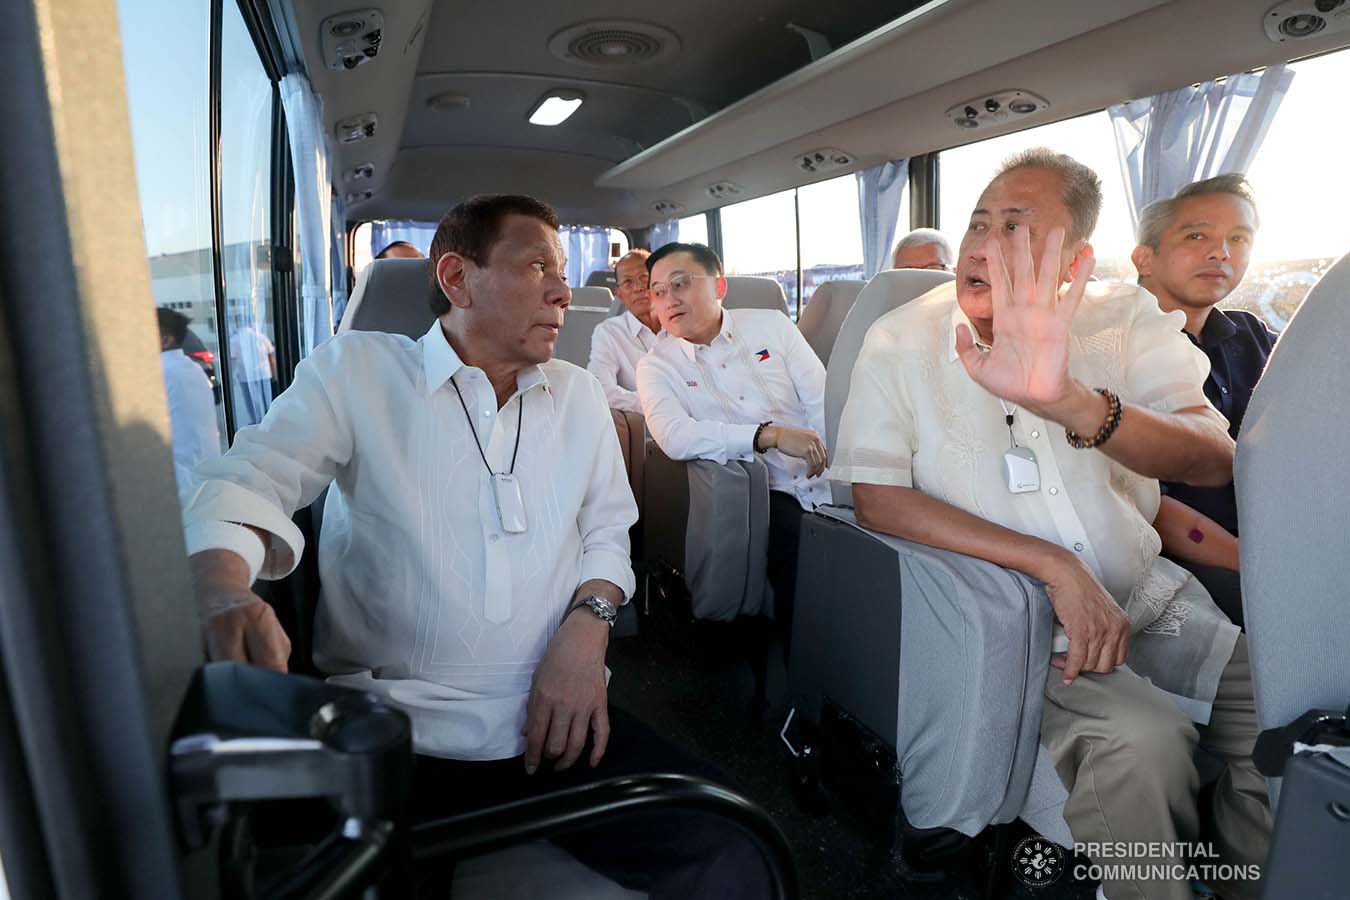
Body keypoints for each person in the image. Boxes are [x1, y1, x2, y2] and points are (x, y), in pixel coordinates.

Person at [183, 195, 773, 899]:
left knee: (739, 847)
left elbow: (607, 534)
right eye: (536, 267)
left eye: (562, 270)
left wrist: (588, 630)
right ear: (458, 278)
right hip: (393, 733)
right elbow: (249, 478)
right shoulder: (359, 372)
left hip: (560, 718)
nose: (563, 289)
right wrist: (223, 586)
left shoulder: (580, 394)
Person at [831, 149, 1269, 900]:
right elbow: (876, 498)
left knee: (1285, 710)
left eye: (1014, 227)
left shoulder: (1125, 317)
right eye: (978, 222)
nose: (981, 243)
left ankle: (1240, 879)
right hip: (1018, 625)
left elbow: (1212, 456)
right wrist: (1054, 567)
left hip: (1154, 602)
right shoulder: (900, 338)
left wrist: (1073, 402)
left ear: (1074, 257)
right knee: (1145, 743)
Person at [636, 242, 828, 652]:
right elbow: (674, 435)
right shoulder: (656, 366)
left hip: (828, 480)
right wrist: (767, 435)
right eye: (657, 291)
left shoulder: (772, 327)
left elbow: (822, 401)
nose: (668, 299)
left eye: (680, 284)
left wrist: (836, 468)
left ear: (718, 285)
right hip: (762, 495)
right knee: (803, 566)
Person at [1132, 173, 1276, 627]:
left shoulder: (1250, 336)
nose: (1221, 253)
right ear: (1144, 257)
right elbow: (1146, 503)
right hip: (1182, 556)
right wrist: (1254, 563)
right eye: (1197, 235)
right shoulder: (1113, 350)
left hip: (1278, 536)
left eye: (1238, 238)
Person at [157, 307, 220, 495]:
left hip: (182, 488)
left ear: (166, 339)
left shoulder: (161, 373)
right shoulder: (191, 368)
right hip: (206, 480)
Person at [587, 248, 658, 414]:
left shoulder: (680, 324)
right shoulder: (609, 333)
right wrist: (657, 405)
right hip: (646, 427)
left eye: (644, 278)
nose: (638, 288)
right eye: (628, 282)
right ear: (619, 294)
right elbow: (600, 389)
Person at [229, 318, 276, 425]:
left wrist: (232, 376)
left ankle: (256, 423)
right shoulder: (261, 337)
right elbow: (271, 358)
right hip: (264, 374)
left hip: (246, 377)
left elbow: (232, 360)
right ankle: (270, 423)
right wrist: (274, 375)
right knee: (267, 401)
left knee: (251, 403)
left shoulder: (235, 340)